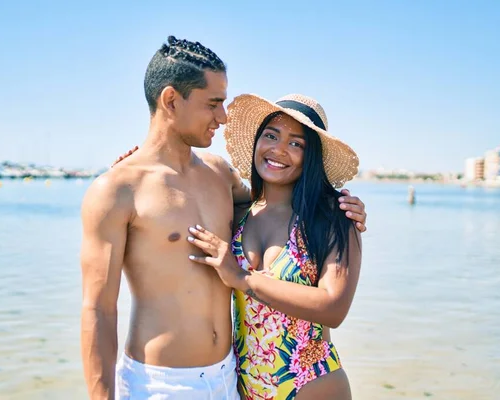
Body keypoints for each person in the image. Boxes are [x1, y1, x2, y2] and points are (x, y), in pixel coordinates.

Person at [80, 36, 367, 400]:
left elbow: (282, 203)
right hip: (162, 384)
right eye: (213, 104)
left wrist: (342, 208)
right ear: (171, 100)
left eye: (297, 143)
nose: (224, 116)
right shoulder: (117, 190)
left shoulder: (221, 177)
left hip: (232, 380)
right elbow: (98, 310)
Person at [187, 94, 362, 399]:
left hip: (312, 386)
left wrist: (242, 278)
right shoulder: (237, 214)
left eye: (296, 144)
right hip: (245, 387)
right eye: (271, 135)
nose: (279, 150)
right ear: (256, 142)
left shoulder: (334, 217)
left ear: (311, 158)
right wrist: (139, 161)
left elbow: (334, 308)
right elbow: (174, 187)